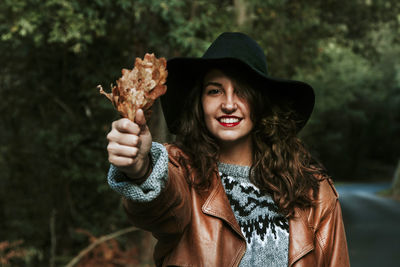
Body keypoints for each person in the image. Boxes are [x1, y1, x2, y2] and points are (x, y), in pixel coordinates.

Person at [106, 32, 350, 267]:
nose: (229, 104)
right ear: (200, 102)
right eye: (215, 91)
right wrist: (141, 169)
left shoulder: (313, 191)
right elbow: (160, 204)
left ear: (261, 102)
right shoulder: (180, 171)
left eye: (242, 91)